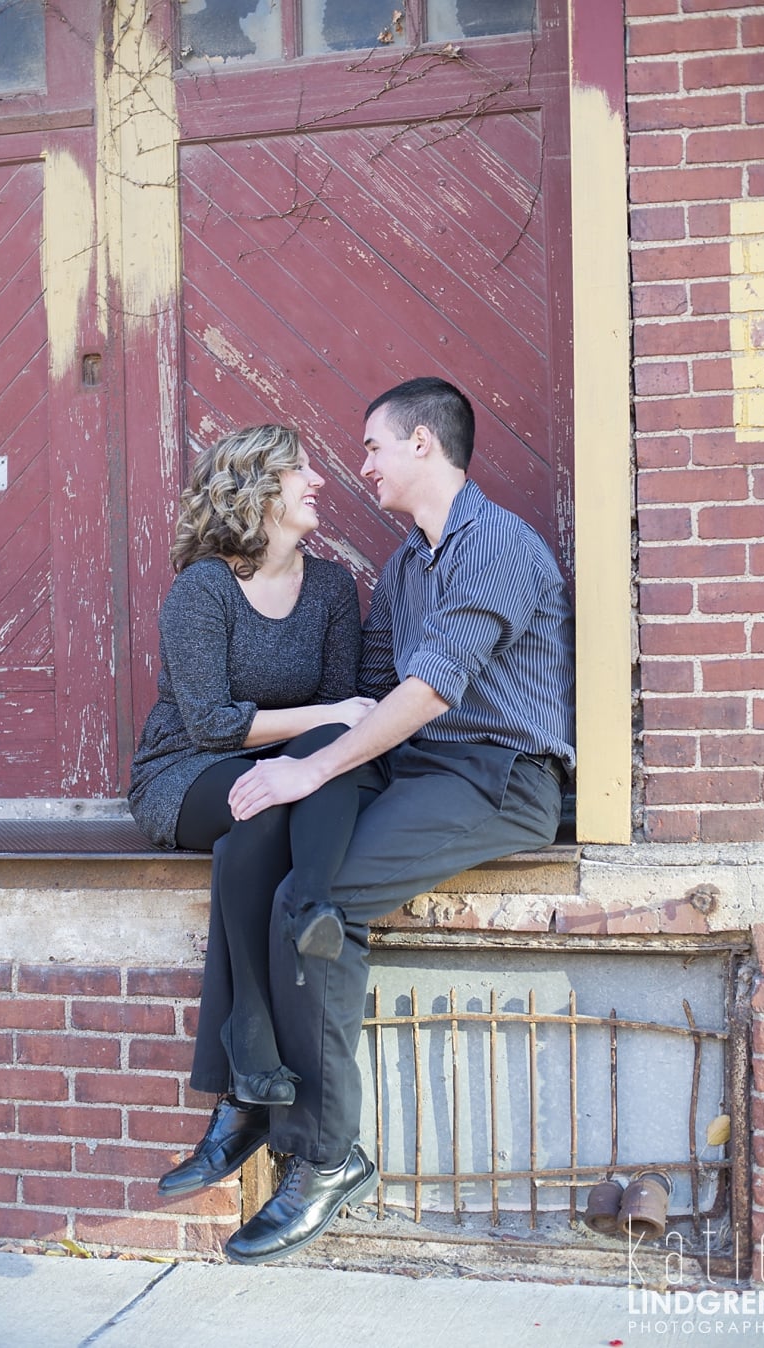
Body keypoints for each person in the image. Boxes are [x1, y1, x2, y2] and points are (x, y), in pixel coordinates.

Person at [208, 376, 576, 1265]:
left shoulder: (498, 547)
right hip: (417, 768)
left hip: (501, 776)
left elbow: (429, 689)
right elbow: (371, 692)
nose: (360, 463)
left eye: (373, 446)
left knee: (318, 903)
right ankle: (246, 1084)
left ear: (422, 445)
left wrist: (314, 767)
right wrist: (295, 766)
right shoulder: (411, 561)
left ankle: (326, 1158)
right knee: (257, 850)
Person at [127, 424, 376, 1190]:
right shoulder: (202, 589)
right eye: (300, 470)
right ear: (257, 491)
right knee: (256, 811)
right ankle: (249, 1063)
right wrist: (325, 722)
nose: (318, 481)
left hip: (277, 773)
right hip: (186, 769)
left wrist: (325, 728)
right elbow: (212, 722)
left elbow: (339, 706)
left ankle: (244, 1076)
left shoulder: (332, 588)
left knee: (256, 830)